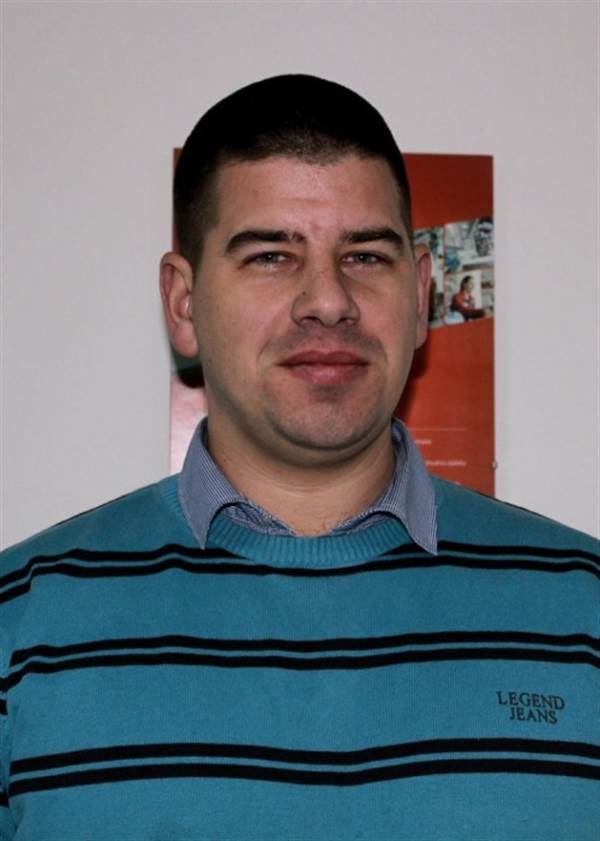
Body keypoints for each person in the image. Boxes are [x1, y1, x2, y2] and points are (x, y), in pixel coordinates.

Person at [0, 75, 598, 841]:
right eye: (272, 256)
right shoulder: (20, 624)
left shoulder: (586, 612)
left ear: (421, 295)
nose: (328, 300)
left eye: (366, 256)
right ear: (183, 304)